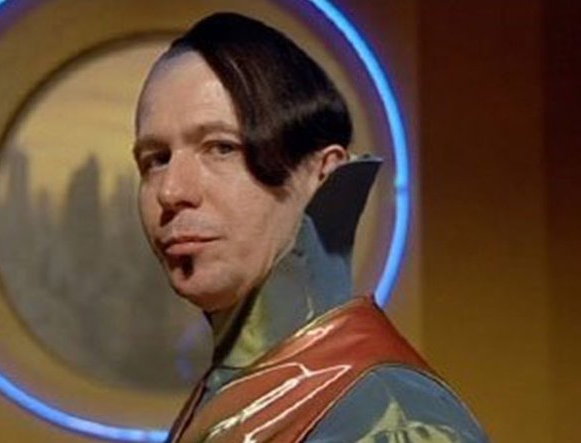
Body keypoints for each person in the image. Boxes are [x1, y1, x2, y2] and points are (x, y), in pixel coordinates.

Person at [132, 12, 488, 443]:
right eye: (156, 159)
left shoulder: (391, 419)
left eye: (222, 148)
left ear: (323, 174)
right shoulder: (232, 387)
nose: (171, 191)